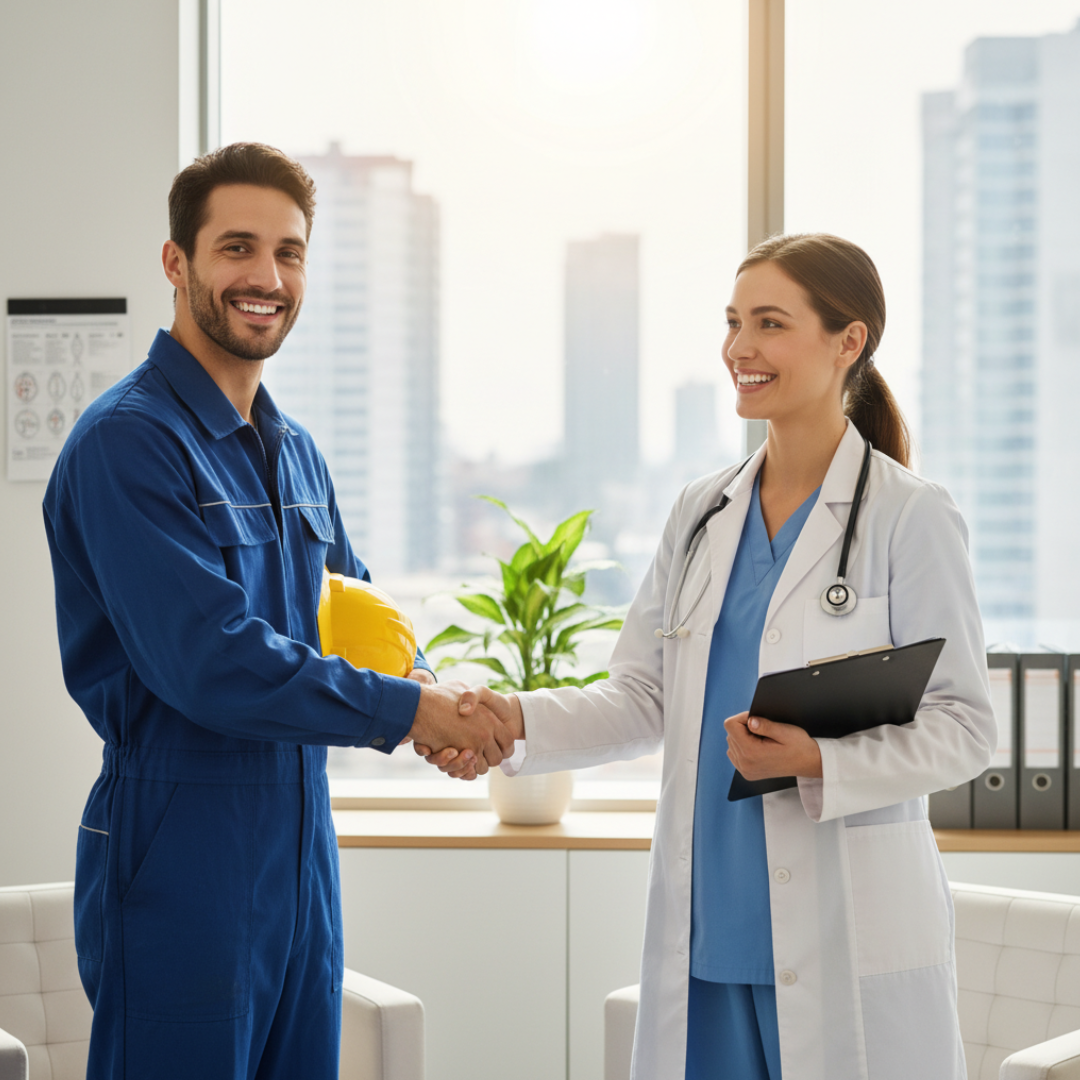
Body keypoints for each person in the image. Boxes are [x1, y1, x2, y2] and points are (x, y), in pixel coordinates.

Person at [427, 234, 996, 1080]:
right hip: (708, 930)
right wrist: (512, 719)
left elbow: (965, 729)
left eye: (770, 323)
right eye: (733, 323)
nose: (740, 348)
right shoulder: (702, 512)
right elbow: (644, 697)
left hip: (843, 930)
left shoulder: (909, 516)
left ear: (851, 341)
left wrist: (821, 760)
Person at [43, 142, 512, 1080]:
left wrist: (427, 690)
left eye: (289, 253)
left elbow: (359, 615)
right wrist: (412, 715)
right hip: (179, 842)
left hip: (301, 849)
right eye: (238, 248)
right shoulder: (128, 445)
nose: (266, 277)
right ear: (177, 262)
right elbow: (207, 659)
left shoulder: (295, 451)